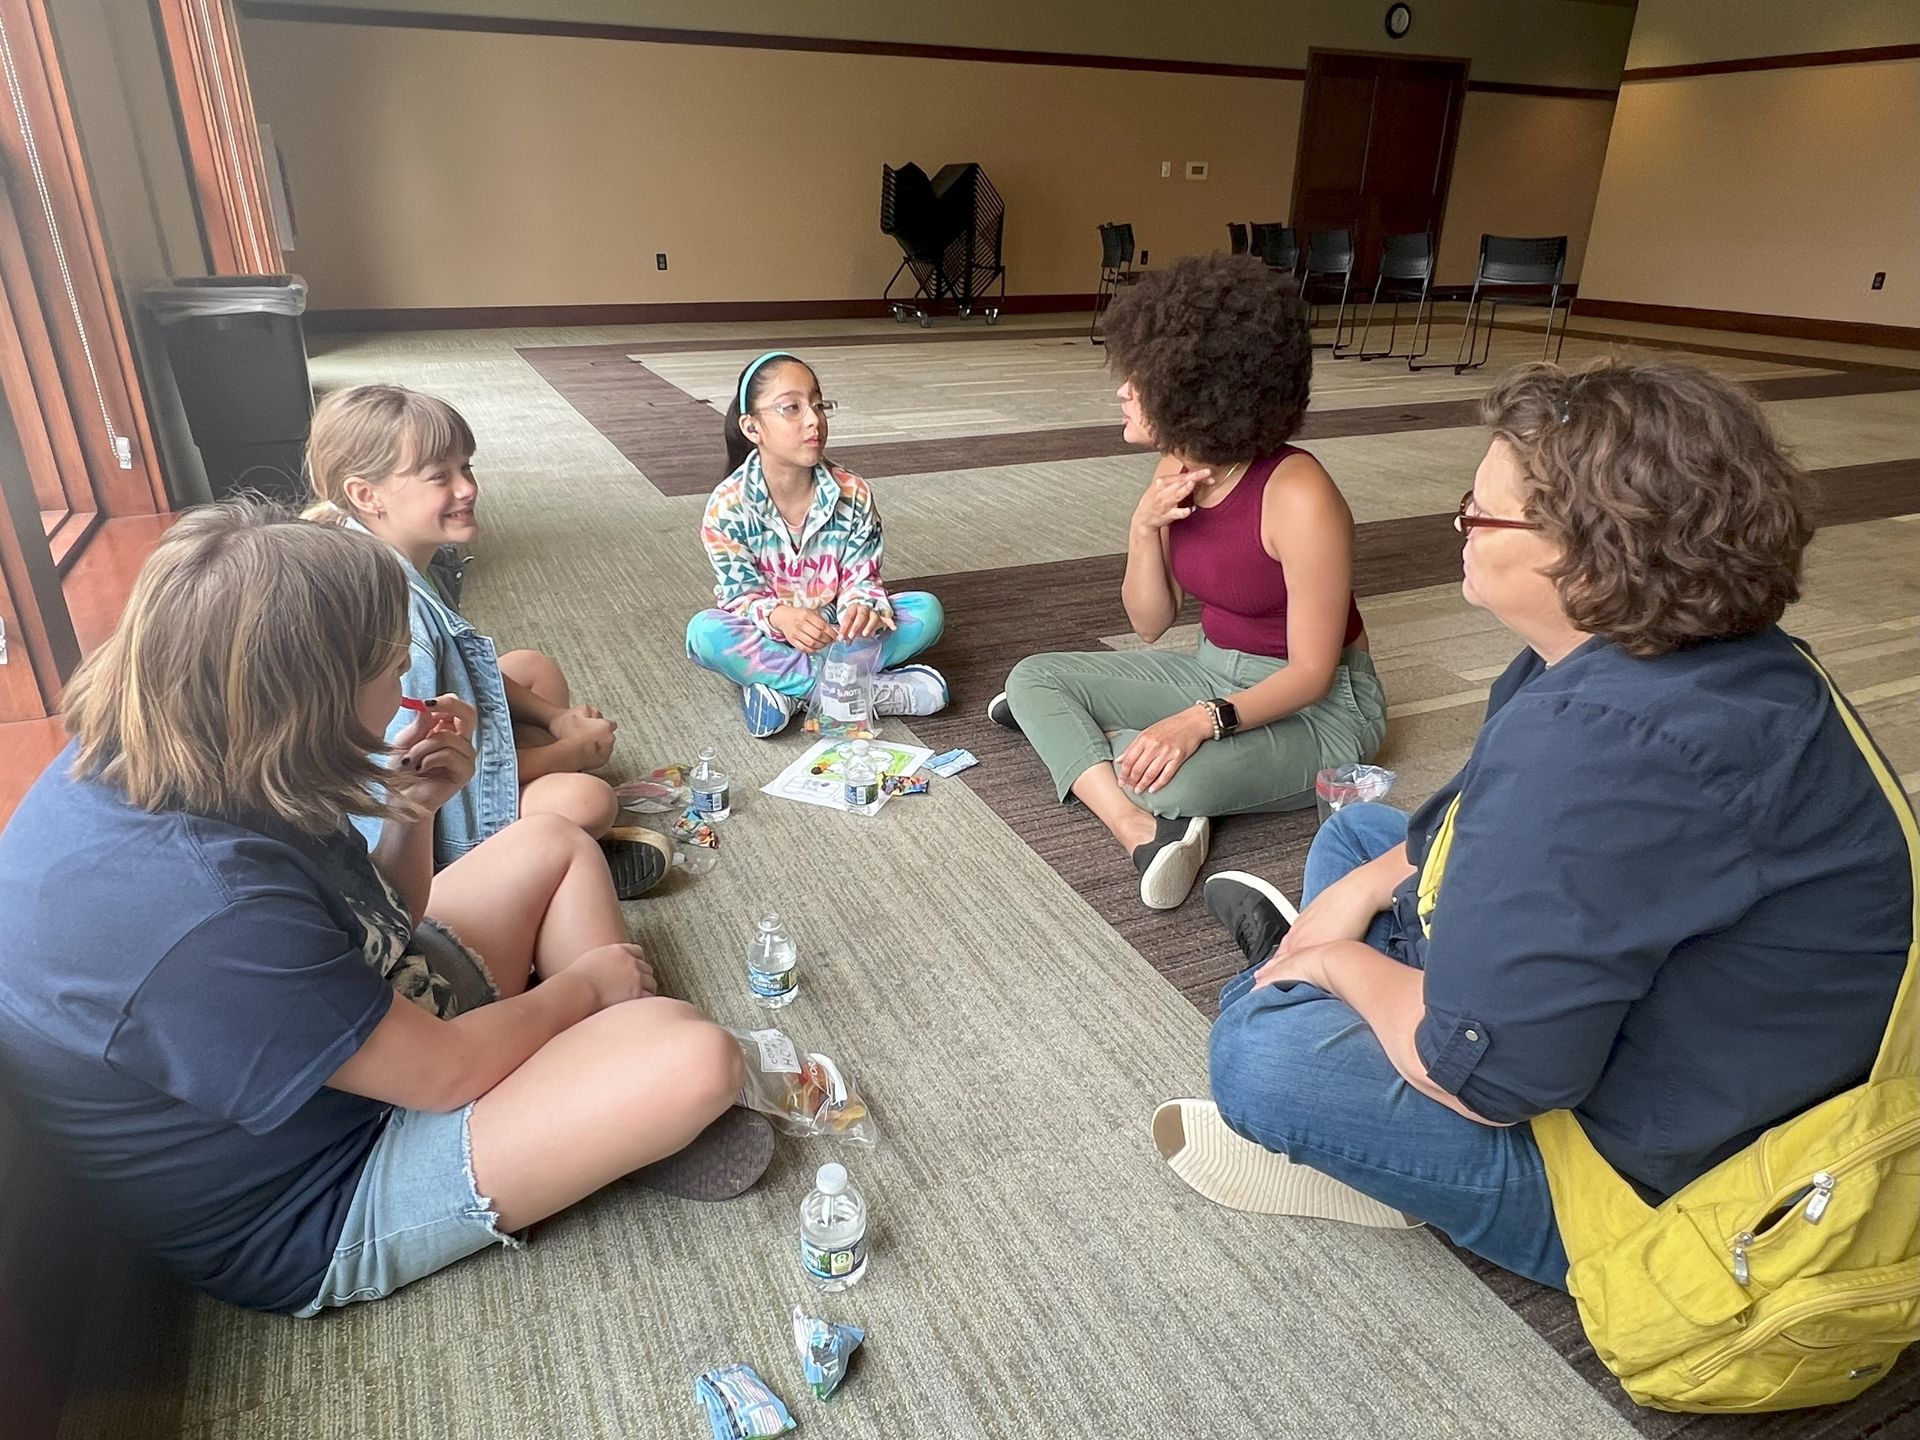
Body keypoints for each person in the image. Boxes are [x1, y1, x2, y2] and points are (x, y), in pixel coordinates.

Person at [1158, 359, 1911, 1291]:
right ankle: (1329, 991)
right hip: (1720, 1025)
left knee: (1259, 1059)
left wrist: (1331, 963)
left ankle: (1353, 1098)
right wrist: (1356, 898)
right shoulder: (1673, 655)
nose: (1460, 528)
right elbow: (1471, 828)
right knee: (1359, 843)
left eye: (1478, 512)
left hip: (1683, 1180)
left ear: (1584, 553)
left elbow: (1490, 1081)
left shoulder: (1602, 753)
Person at [0, 505, 759, 1316]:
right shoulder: (202, 910)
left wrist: (414, 810)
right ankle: (599, 1097)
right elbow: (442, 1074)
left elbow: (378, 924)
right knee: (693, 1059)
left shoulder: (200, 744)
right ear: (309, 695)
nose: (407, 690)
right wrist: (585, 991)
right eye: (392, 669)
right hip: (317, 1191)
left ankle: (593, 1106)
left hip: (360, 1039)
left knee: (554, 842)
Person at [993, 255, 1387, 910]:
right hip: (1212, 669)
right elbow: (1149, 623)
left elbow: (1313, 673)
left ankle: (1083, 743)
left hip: (1323, 705)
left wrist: (1197, 723)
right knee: (1032, 677)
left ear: (1198, 390)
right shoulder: (1178, 465)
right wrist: (1142, 529)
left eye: (1139, 379)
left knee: (1166, 778)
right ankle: (1136, 830)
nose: (1122, 390)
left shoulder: (1299, 494)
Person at [305, 384, 635, 874]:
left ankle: (541, 835)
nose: (467, 488)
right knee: (589, 801)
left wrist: (556, 719)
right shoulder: (398, 622)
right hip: (427, 828)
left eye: (467, 467)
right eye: (440, 476)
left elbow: (461, 681)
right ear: (365, 495)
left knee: (531, 668)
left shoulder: (405, 556)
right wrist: (572, 752)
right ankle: (515, 869)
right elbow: (422, 775)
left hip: (445, 749)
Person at [686, 351, 948, 737]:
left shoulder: (852, 492)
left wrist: (862, 605)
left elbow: (864, 576)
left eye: (818, 404)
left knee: (927, 612)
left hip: (838, 631)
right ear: (752, 427)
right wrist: (781, 617)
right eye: (791, 407)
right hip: (770, 631)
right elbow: (739, 596)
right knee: (705, 633)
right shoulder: (727, 506)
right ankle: (862, 693)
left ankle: (786, 691)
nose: (813, 420)